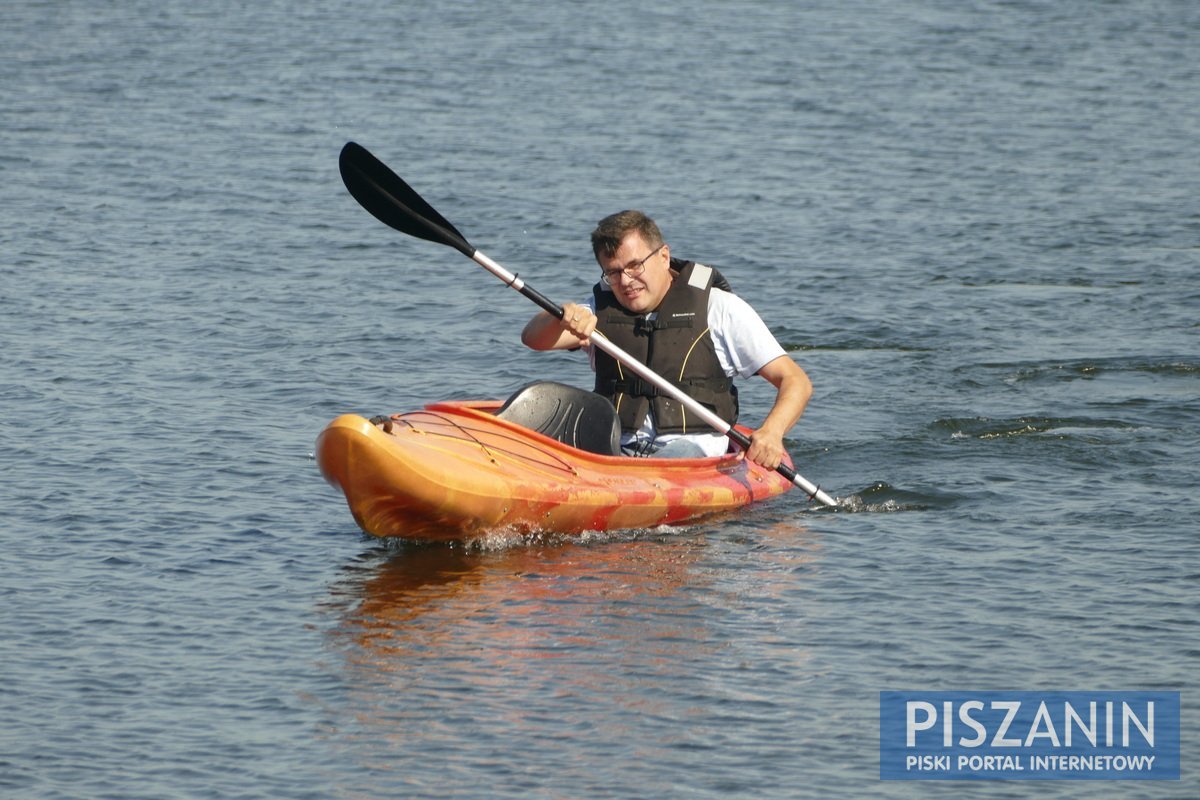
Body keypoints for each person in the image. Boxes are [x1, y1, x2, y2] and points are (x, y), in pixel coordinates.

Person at [521, 210, 812, 470]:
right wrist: (560, 316)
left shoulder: (719, 308)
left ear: (663, 256)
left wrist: (772, 433)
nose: (626, 281)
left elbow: (795, 380)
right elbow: (534, 339)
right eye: (613, 272)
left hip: (692, 453)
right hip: (613, 449)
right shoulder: (598, 309)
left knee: (673, 459)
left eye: (635, 265)